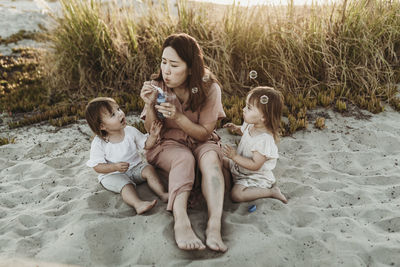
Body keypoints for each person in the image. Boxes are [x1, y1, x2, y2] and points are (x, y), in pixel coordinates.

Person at [140, 33, 227, 252]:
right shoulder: (157, 85)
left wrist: (178, 117)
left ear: (190, 68)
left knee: (211, 161)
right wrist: (150, 106)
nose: (166, 70)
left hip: (200, 139)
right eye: (163, 62)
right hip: (168, 143)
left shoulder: (209, 88)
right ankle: (181, 221)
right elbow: (150, 130)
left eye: (174, 65)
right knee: (183, 158)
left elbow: (204, 134)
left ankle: (214, 225)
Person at [85, 97, 168, 215]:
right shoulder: (99, 143)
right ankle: (138, 204)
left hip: (134, 168)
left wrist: (153, 136)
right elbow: (97, 167)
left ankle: (162, 194)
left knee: (149, 169)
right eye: (113, 114)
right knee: (126, 185)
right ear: (102, 126)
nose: (120, 114)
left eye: (118, 109)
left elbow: (146, 145)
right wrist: (114, 167)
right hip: (112, 175)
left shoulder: (130, 131)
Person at [222, 87, 288, 204]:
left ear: (264, 117)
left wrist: (234, 156)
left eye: (249, 108)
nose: (243, 109)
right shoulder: (250, 124)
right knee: (221, 160)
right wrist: (236, 128)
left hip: (254, 176)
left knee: (236, 195)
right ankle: (228, 187)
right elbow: (245, 132)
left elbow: (255, 165)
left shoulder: (264, 140)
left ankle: (271, 192)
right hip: (240, 168)